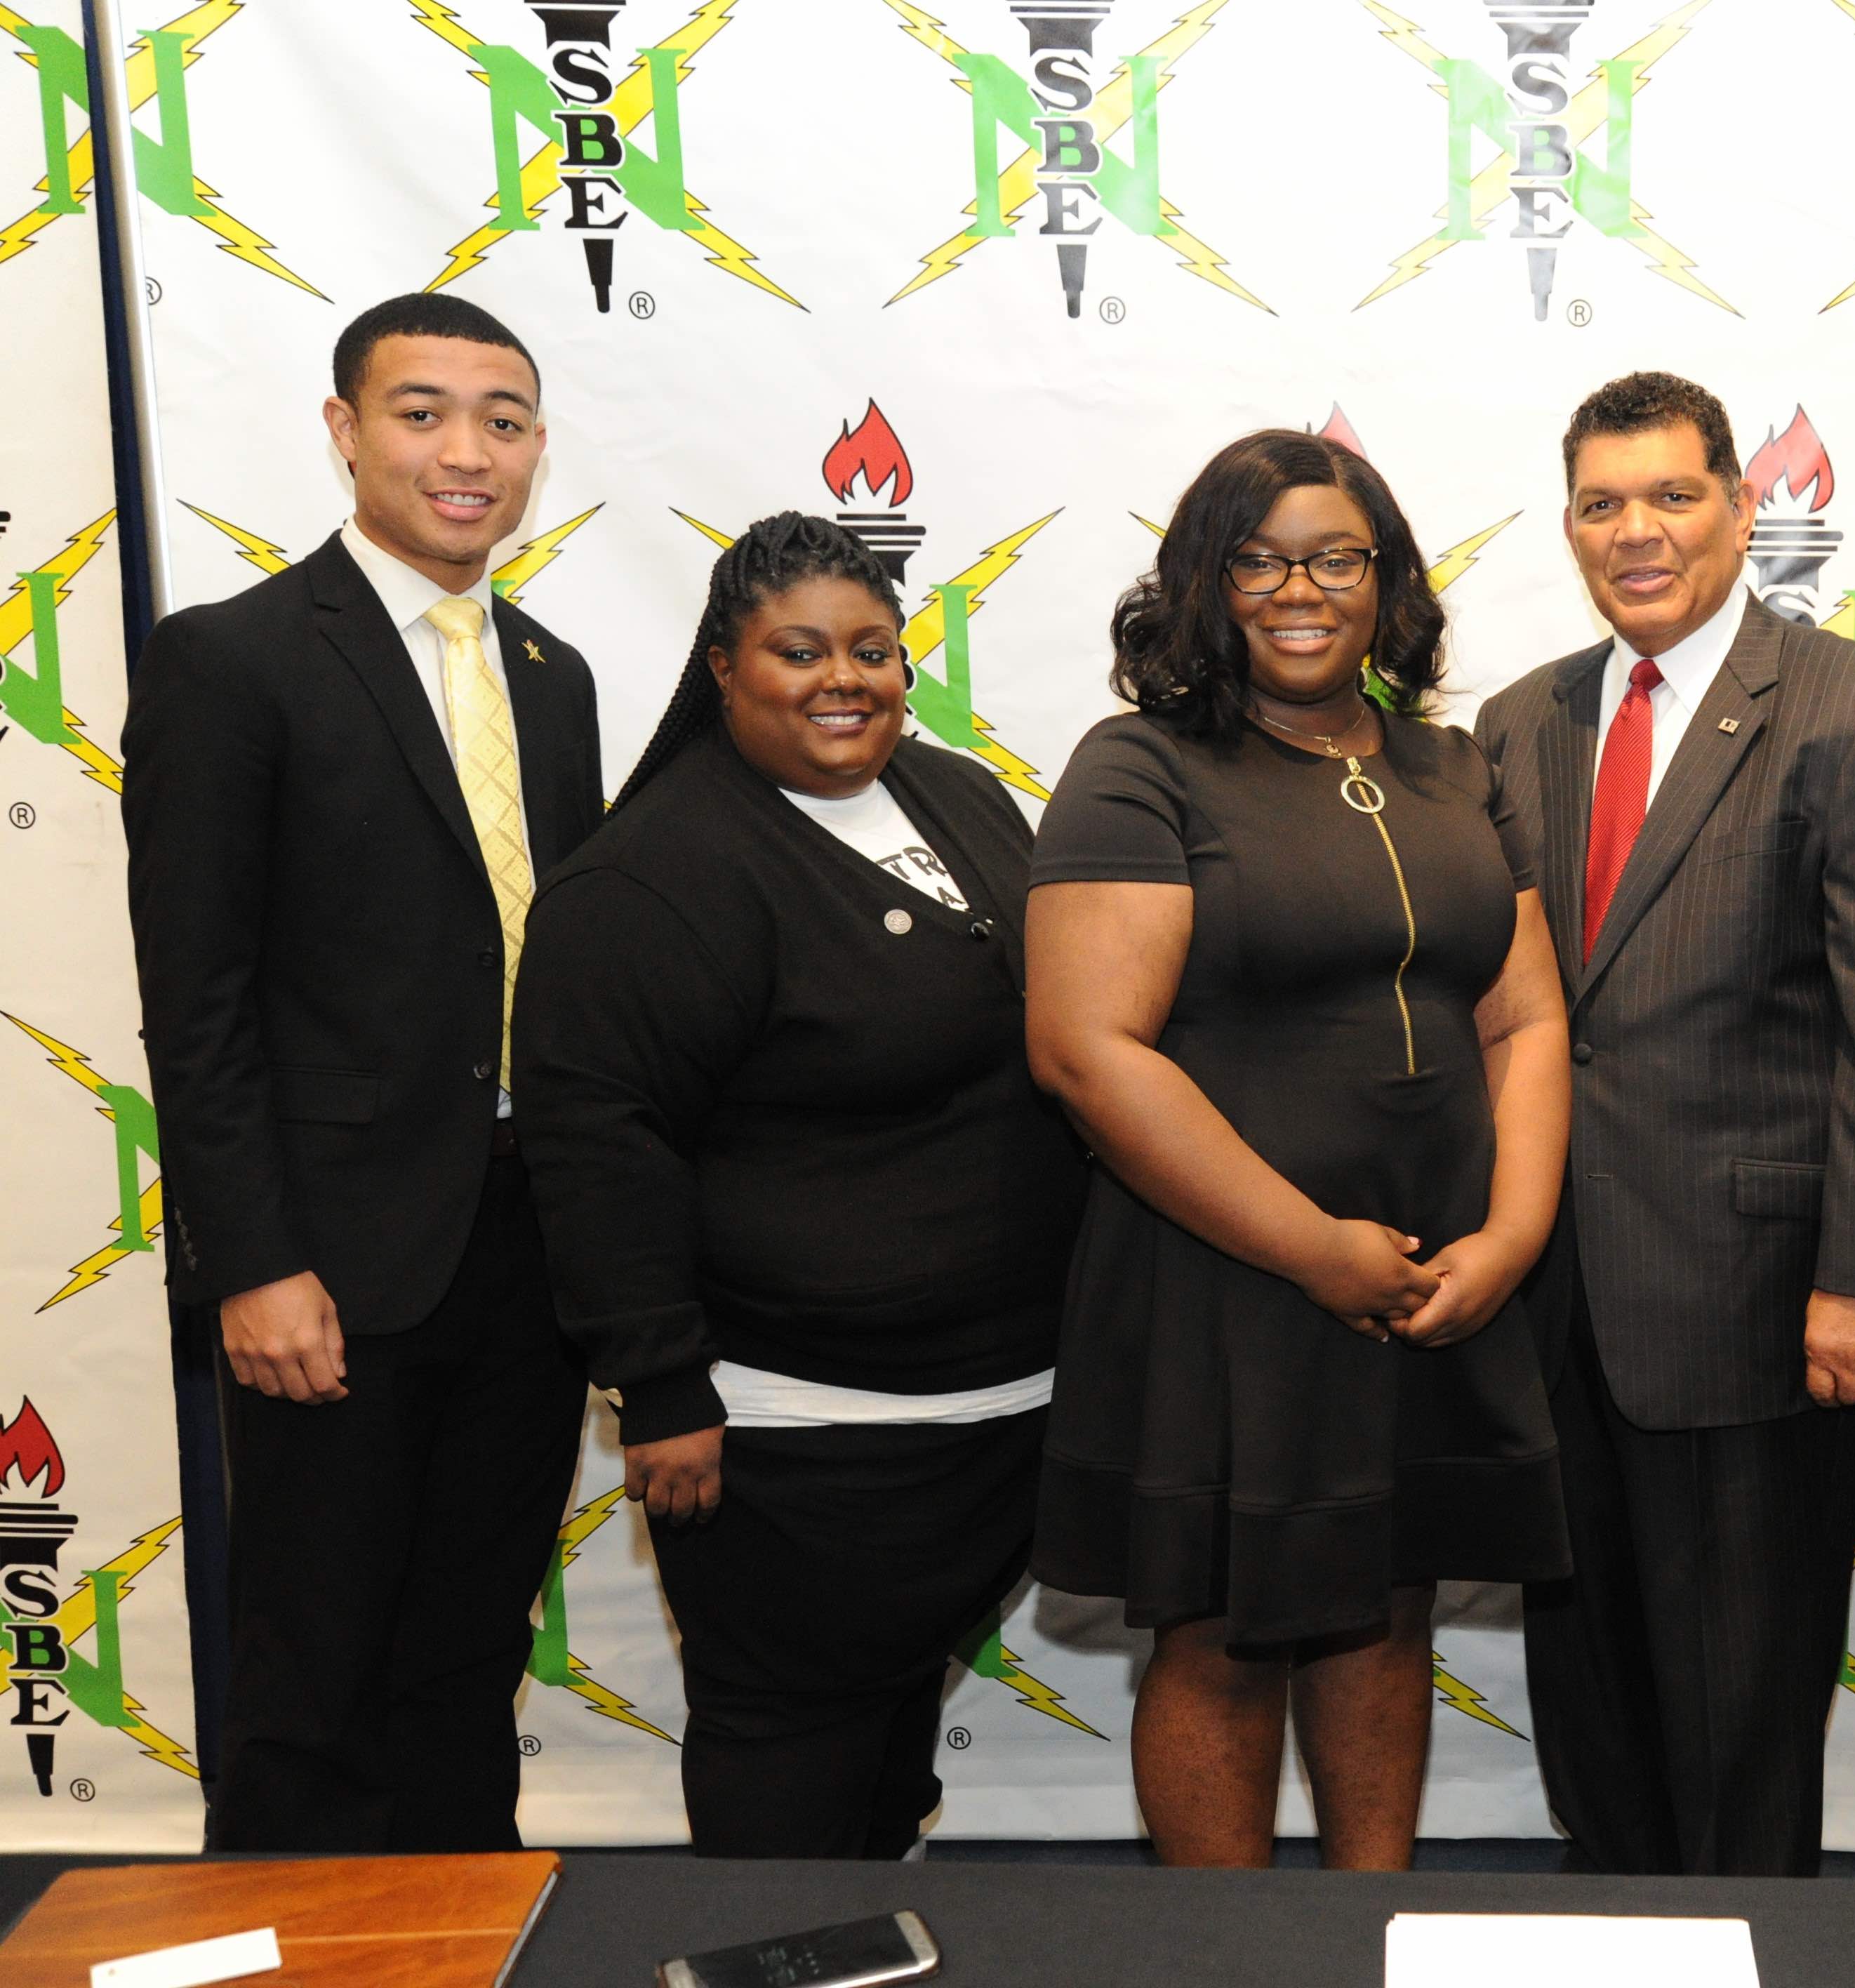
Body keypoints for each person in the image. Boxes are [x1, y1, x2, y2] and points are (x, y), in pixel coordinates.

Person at [1023, 430, 1571, 1869]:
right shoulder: (1139, 766)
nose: (1298, 588)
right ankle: (1226, 1964)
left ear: (1384, 583)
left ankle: (1366, 1929)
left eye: (1335, 556)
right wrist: (1311, 1250)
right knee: (1219, 1627)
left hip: (1436, 1276)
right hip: (1228, 1277)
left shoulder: (1454, 768)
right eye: (1256, 559)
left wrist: (1510, 1236)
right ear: (1204, 583)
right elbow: (1088, 1051)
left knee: (1386, 1603)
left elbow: (1522, 1019)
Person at [510, 512, 1086, 1857]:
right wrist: (658, 1386)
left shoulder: (961, 794)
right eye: (801, 651)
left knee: (885, 1748)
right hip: (802, 1433)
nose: (848, 678)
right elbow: (599, 1143)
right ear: (722, 668)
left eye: (875, 649)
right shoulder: (654, 876)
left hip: (1006, 1401)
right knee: (792, 1754)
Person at [1471, 371, 1855, 1878]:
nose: (1637, 533)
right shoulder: (1518, 722)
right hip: (1549, 1300)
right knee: (1590, 1692)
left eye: (1672, 496)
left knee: (1742, 1709)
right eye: (1602, 504)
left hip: (1761, 1303)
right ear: (1567, 524)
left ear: (1742, 510)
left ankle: (1747, 1953)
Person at [119, 293, 597, 1850]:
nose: (467, 452)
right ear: (343, 431)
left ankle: (462, 1938)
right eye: (422, 411)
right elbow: (197, 1005)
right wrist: (254, 1262)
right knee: (311, 1679)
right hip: (330, 1263)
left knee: (466, 1663)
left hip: (527, 1256)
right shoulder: (232, 662)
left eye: (504, 419)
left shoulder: (552, 671)